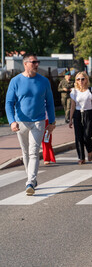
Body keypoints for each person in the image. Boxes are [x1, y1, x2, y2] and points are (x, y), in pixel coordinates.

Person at [5, 53, 56, 196]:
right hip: (21, 122)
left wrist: (51, 121)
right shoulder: (15, 81)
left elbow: (50, 103)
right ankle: (31, 179)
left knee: (34, 152)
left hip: (39, 121)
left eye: (37, 62)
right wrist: (11, 121)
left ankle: (30, 181)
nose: (37, 65)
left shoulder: (44, 81)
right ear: (25, 63)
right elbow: (9, 103)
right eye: (34, 62)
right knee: (25, 152)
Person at [69, 72, 92, 165]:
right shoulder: (74, 91)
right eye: (78, 79)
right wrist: (70, 119)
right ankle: (81, 157)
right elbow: (72, 106)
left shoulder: (91, 90)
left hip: (89, 113)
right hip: (78, 114)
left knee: (87, 136)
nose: (80, 81)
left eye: (82, 79)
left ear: (86, 79)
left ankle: (89, 150)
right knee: (78, 137)